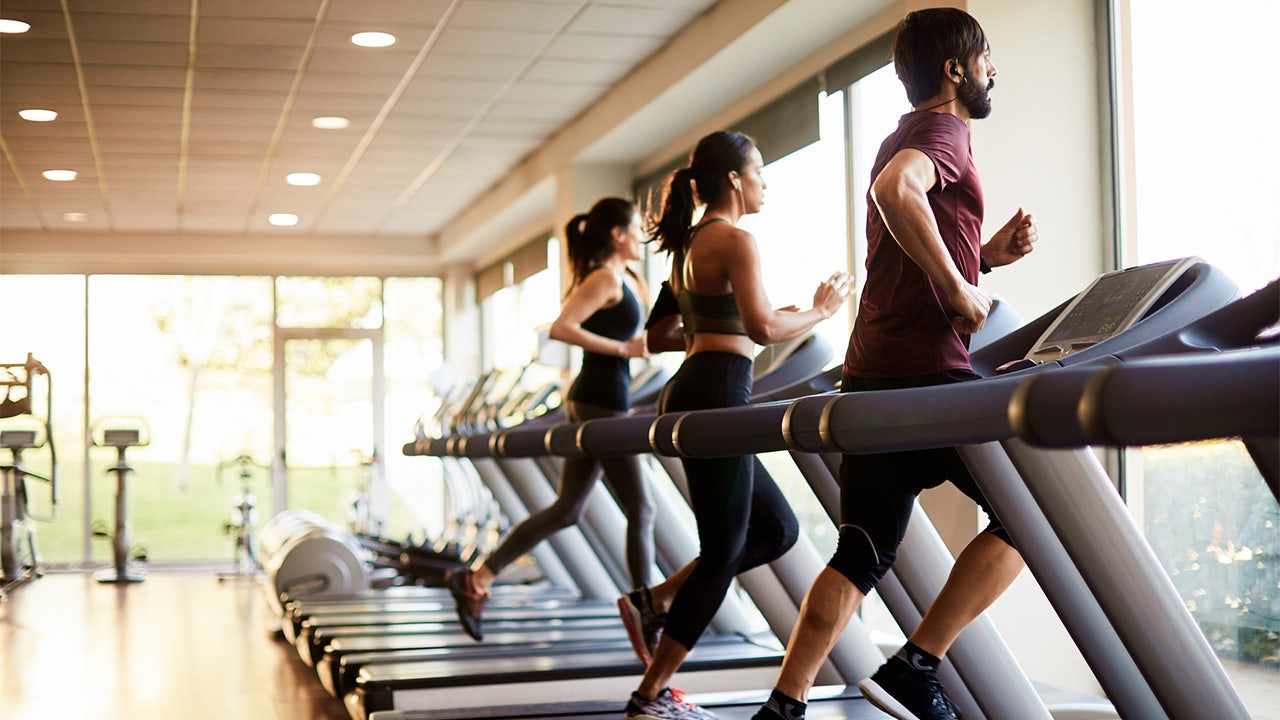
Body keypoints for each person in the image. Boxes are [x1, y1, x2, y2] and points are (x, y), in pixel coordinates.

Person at [750, 9, 1038, 720]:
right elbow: (896, 193)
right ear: (955, 70)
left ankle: (784, 705)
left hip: (873, 374)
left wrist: (983, 257)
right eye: (986, 58)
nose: (993, 70)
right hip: (927, 377)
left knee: (860, 552)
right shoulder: (942, 133)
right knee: (1032, 518)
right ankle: (917, 664)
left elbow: (907, 226)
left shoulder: (900, 135)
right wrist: (958, 289)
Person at [620, 130, 850, 720]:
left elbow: (661, 336)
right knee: (722, 553)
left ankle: (658, 597)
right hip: (720, 390)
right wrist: (822, 310)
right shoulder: (736, 241)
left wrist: (716, 326)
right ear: (733, 179)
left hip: (699, 386)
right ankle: (650, 694)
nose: (765, 182)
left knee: (775, 530)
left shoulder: (689, 246)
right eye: (760, 170)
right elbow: (764, 327)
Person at [445, 197, 656, 642]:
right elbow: (561, 328)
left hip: (604, 400)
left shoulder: (622, 278)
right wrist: (622, 349)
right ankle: (645, 607)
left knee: (567, 510)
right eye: (636, 228)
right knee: (641, 507)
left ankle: (478, 578)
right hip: (600, 402)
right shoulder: (604, 277)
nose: (641, 235)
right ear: (617, 234)